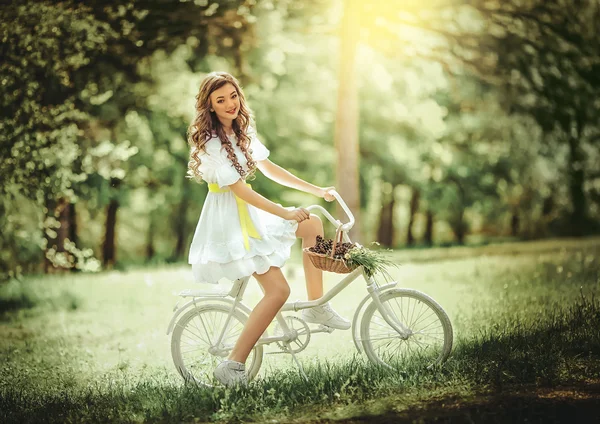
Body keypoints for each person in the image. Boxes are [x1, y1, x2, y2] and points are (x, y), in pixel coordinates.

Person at [186, 72, 350, 387]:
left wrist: (317, 190)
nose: (230, 104)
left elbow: (269, 168)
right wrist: (285, 212)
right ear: (210, 107)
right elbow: (241, 192)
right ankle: (232, 365)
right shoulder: (210, 142)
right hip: (230, 222)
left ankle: (316, 306)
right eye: (221, 100)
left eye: (233, 95)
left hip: (247, 215)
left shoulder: (242, 129)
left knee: (312, 223)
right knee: (279, 291)